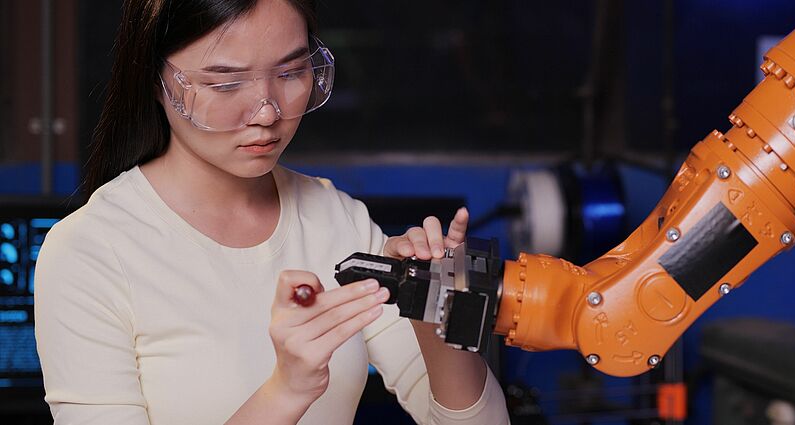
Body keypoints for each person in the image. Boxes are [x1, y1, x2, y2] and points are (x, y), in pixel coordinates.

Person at [33, 0, 509, 424]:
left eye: (290, 73)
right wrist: (287, 392)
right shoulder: (89, 253)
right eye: (225, 83)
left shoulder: (336, 220)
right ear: (156, 80)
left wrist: (434, 309)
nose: (266, 112)